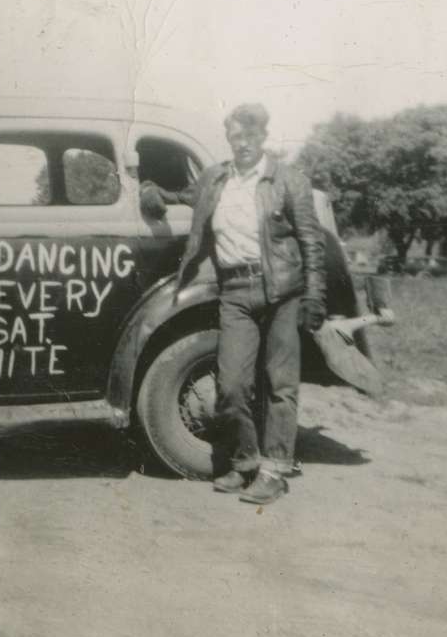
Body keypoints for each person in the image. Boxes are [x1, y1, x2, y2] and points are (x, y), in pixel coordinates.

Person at [140, 103, 326, 505]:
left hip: (282, 293)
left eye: (248, 137)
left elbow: (312, 242)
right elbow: (187, 195)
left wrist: (315, 295)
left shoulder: (288, 180)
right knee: (231, 385)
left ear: (263, 137)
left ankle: (275, 471)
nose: (241, 144)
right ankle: (245, 463)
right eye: (234, 138)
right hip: (235, 292)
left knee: (280, 385)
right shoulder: (216, 179)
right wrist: (154, 193)